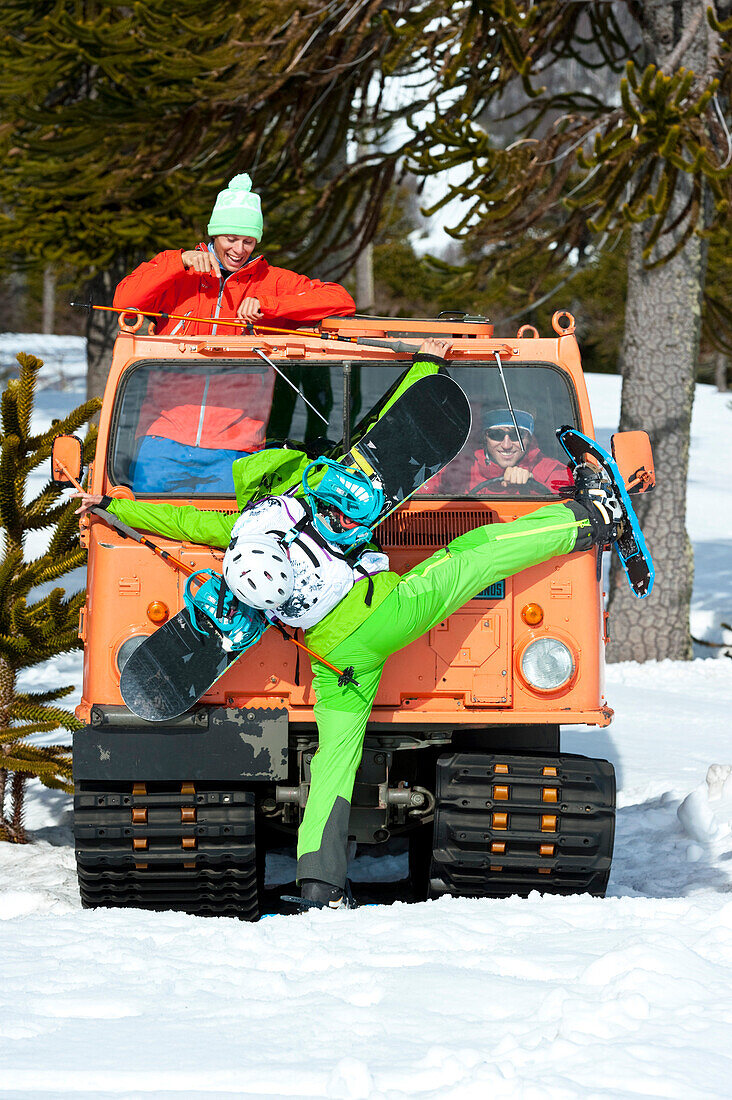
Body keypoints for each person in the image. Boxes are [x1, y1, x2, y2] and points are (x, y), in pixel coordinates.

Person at [73, 341, 623, 911]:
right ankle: (587, 517)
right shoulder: (313, 504)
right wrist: (429, 368)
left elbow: (181, 517)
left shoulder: (243, 533)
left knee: (337, 760)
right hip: (380, 620)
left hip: (332, 659)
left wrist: (117, 508)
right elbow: (397, 440)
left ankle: (321, 884)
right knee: (474, 555)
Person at [113, 173, 356, 492]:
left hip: (235, 447)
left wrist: (269, 304)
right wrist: (179, 261)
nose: (238, 249)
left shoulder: (272, 280)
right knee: (147, 528)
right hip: (163, 439)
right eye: (229, 238)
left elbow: (341, 300)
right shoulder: (177, 273)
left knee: (227, 538)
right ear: (213, 233)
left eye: (248, 241)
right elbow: (124, 300)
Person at [469, 408, 573, 493]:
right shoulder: (466, 470)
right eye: (496, 434)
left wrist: (534, 481)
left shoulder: (553, 470)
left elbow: (567, 501)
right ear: (484, 438)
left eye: (516, 435)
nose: (506, 445)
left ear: (529, 439)